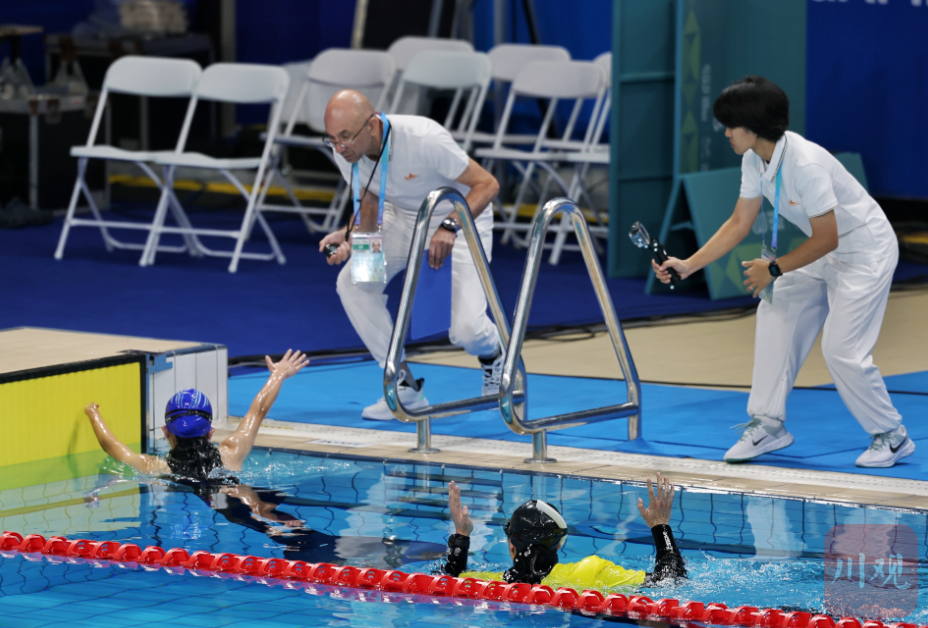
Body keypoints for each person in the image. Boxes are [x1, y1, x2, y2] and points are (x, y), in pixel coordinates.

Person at [652, 76, 911, 468]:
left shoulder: (805, 164)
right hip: (828, 250)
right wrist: (688, 265)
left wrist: (773, 268)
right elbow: (740, 221)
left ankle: (891, 436)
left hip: (866, 252)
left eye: (730, 125)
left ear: (753, 126)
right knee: (777, 304)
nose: (726, 133)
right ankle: (768, 425)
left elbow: (827, 237)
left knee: (842, 351)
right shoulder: (754, 159)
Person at [318, 90, 504, 421]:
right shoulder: (345, 152)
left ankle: (496, 357)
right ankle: (402, 383)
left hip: (458, 219)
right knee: (354, 283)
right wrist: (350, 239)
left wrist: (448, 226)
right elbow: (369, 203)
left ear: (372, 125)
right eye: (331, 138)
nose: (339, 145)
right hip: (402, 219)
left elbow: (487, 185)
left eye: (345, 136)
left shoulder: (424, 138)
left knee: (466, 330)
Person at [83, 349, 310, 478]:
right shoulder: (231, 454)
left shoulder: (154, 466)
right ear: (210, 433)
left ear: (165, 432)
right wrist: (278, 374)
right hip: (238, 498)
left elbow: (111, 445)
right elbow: (258, 411)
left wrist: (92, 413)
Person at [441, 473, 686, 588]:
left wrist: (461, 535)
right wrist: (660, 526)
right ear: (559, 545)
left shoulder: (489, 584)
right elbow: (670, 581)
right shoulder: (592, 571)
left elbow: (447, 581)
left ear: (512, 546)